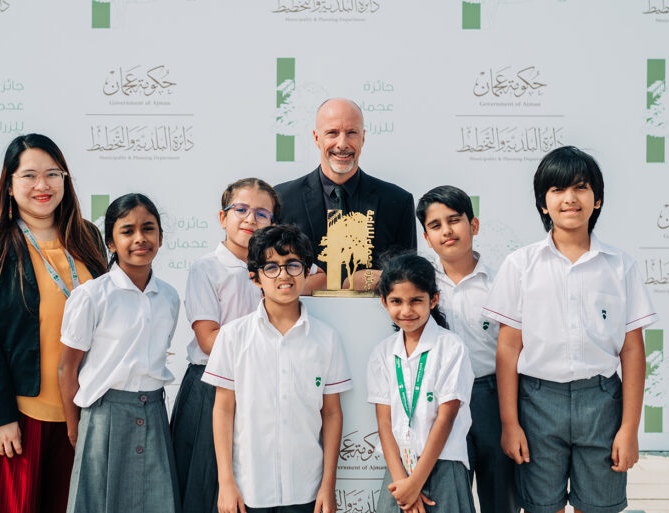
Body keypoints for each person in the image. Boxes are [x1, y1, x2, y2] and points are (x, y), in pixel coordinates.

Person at [483, 146, 658, 513]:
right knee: (542, 506)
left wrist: (629, 429)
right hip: (537, 402)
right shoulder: (520, 265)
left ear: (598, 199)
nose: (570, 198)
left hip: (602, 401)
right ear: (542, 203)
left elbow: (632, 350)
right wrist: (510, 423)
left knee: (598, 506)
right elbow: (508, 348)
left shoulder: (620, 266)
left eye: (581, 187)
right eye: (557, 189)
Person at [0, 134, 107, 513]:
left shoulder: (88, 238)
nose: (42, 185)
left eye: (52, 174)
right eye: (29, 176)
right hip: (19, 413)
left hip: (81, 410)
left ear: (65, 179)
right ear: (9, 185)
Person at [202, 225, 353, 513]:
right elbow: (223, 410)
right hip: (249, 489)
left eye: (293, 265)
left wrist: (328, 484)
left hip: (307, 489)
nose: (283, 275)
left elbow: (332, 413)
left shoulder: (326, 339)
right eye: (271, 267)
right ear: (255, 277)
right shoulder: (233, 336)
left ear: (307, 271)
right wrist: (226, 482)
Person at [58, 193, 181, 513]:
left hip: (154, 412)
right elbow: (67, 369)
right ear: (111, 242)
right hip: (103, 415)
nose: (140, 238)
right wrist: (74, 428)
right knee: (98, 503)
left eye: (148, 228)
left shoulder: (168, 297)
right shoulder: (91, 296)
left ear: (161, 237)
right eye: (127, 231)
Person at [170, 178, 280, 513]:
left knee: (251, 489)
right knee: (203, 488)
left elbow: (316, 276)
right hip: (209, 387)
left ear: (272, 223)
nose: (250, 219)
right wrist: (267, 344)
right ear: (223, 218)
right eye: (240, 209)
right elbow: (208, 340)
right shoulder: (208, 268)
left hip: (260, 388)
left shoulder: (277, 269)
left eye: (262, 213)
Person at [416, 186, 518, 513]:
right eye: (435, 225)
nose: (446, 230)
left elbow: (513, 350)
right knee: (447, 493)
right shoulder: (421, 287)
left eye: (454, 220)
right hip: (438, 400)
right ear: (426, 238)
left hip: (490, 395)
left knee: (500, 491)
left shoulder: (501, 284)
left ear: (473, 225)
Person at [368, 253, 475, 513]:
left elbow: (445, 419)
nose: (406, 311)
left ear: (433, 299)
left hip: (442, 465)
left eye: (416, 300)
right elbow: (384, 423)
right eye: (396, 301)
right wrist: (404, 484)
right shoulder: (382, 353)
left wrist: (416, 482)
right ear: (384, 301)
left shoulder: (451, 347)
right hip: (398, 470)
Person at [274, 98, 417, 292]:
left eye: (351, 133)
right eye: (332, 133)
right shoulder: (283, 199)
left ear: (362, 138)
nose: (342, 144)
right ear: (316, 138)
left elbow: (408, 279)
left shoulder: (398, 202)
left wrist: (370, 280)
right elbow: (269, 272)